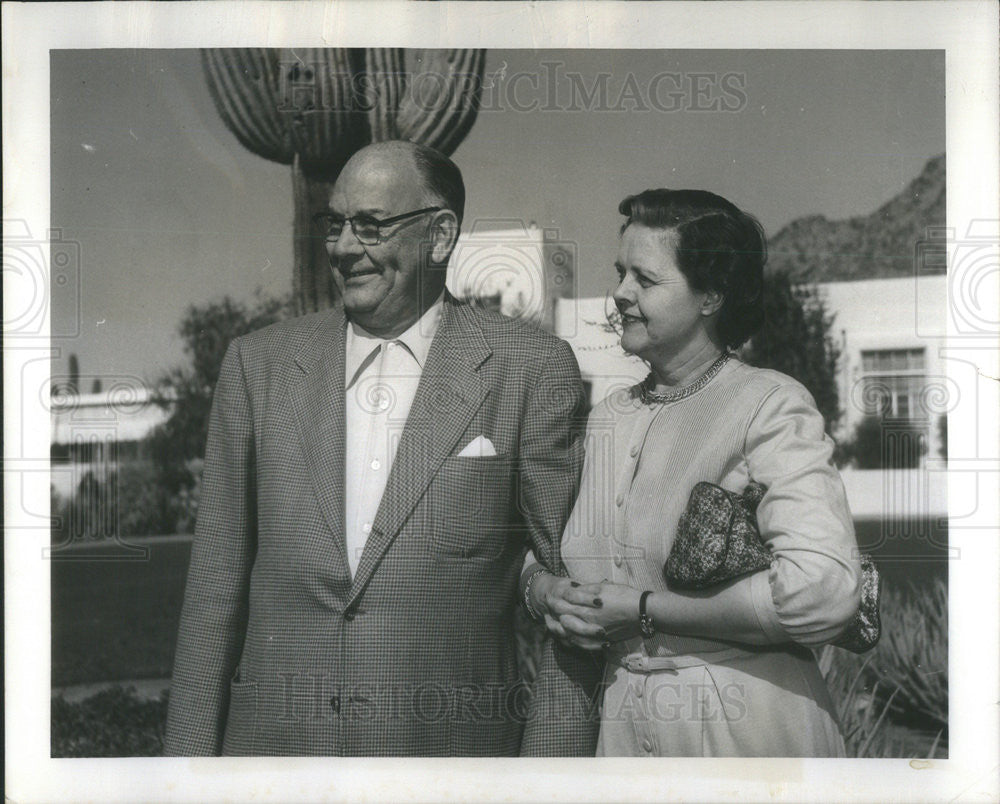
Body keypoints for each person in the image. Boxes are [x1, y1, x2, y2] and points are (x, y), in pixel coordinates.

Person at [164, 141, 600, 757]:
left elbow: (574, 602)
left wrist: (547, 780)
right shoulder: (257, 366)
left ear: (440, 236)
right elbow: (213, 595)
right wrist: (182, 779)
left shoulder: (529, 367)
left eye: (370, 226)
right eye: (335, 224)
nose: (343, 248)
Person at [522, 188, 863, 757]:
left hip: (749, 735)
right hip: (621, 735)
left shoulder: (768, 404)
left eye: (646, 280)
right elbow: (541, 549)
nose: (620, 294)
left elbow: (823, 591)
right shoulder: (608, 417)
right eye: (620, 272)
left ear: (710, 296)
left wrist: (643, 610)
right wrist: (546, 592)